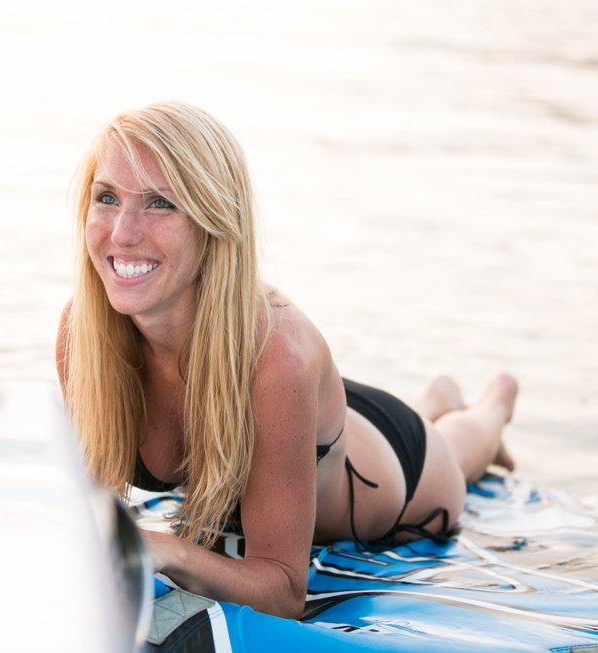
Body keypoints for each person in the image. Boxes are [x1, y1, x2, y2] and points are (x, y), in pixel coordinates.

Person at [55, 100, 518, 620]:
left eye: (161, 203)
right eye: (107, 197)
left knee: (455, 451)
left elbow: (283, 591)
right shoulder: (85, 335)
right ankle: (437, 397)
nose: (121, 232)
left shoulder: (278, 359)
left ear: (214, 220)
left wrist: (165, 550)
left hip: (397, 469)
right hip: (305, 412)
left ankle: (491, 404)